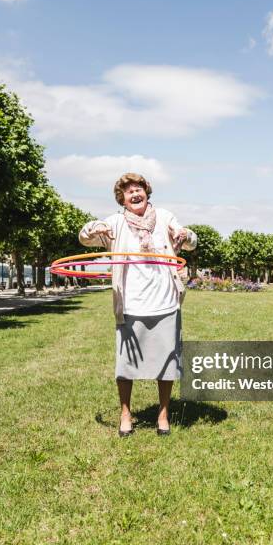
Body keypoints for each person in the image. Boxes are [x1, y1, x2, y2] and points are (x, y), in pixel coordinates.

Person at [79, 173, 197, 437]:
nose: (134, 193)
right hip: (131, 303)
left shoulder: (164, 217)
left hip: (165, 301)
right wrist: (93, 228)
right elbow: (85, 239)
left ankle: (163, 414)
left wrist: (185, 234)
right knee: (126, 364)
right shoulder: (115, 223)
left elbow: (190, 243)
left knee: (167, 363)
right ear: (122, 198)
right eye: (128, 191)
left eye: (139, 188)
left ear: (147, 192)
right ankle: (125, 414)